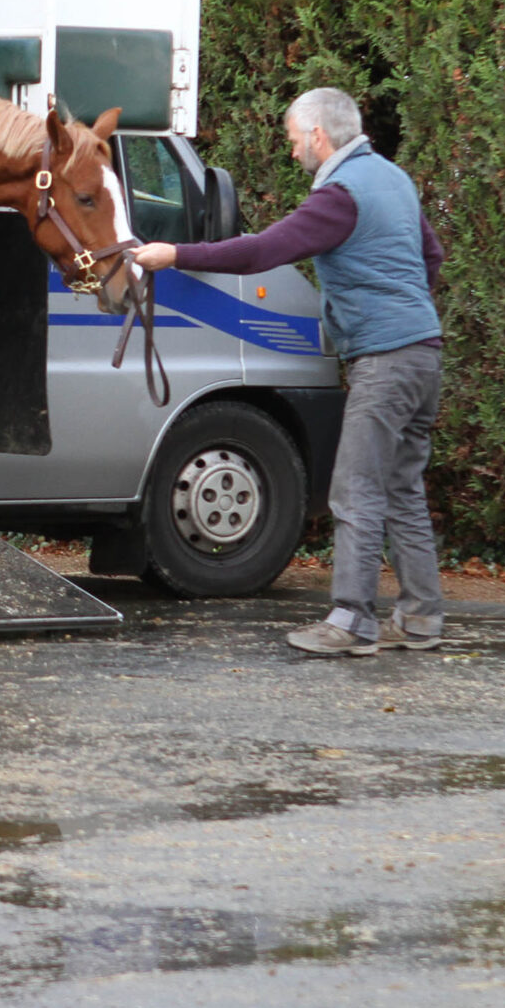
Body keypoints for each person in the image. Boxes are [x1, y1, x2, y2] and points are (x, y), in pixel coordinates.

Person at [134, 87, 445, 656]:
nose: (293, 150)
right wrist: (403, 312)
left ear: (319, 137)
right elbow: (432, 255)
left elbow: (262, 251)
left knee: (354, 488)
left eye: (294, 139)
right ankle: (421, 617)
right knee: (401, 486)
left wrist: (175, 255)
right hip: (424, 353)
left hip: (385, 360)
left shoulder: (339, 196)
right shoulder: (393, 179)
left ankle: (351, 621)